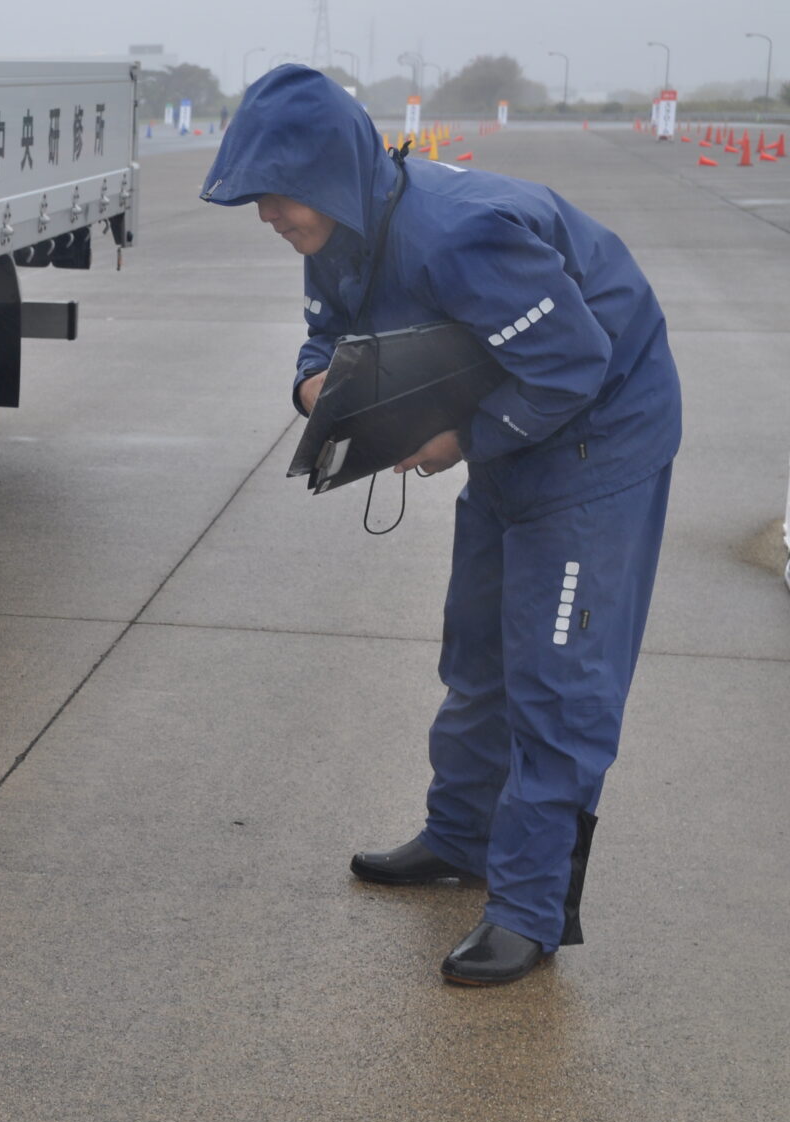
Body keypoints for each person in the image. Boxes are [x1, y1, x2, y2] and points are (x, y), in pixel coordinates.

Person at [200, 68, 680, 986]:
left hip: (599, 436)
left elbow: (575, 362)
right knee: (477, 648)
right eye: (257, 197)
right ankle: (462, 837)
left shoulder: (463, 235)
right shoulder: (336, 232)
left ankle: (530, 913)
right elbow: (324, 338)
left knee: (556, 679)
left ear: (332, 174)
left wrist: (460, 436)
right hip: (514, 428)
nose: (267, 216)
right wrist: (322, 396)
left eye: (276, 195)